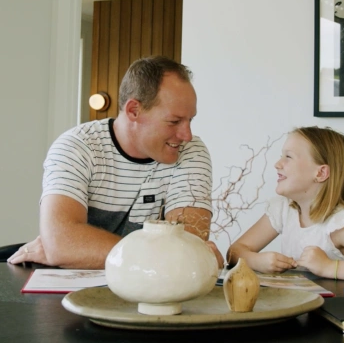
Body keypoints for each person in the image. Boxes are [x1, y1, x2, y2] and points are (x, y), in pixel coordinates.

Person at [8, 56, 223, 269]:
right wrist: (161, 257)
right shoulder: (78, 146)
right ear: (133, 111)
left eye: (190, 120)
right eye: (174, 121)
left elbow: (189, 253)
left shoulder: (191, 151)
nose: (186, 135)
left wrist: (81, 249)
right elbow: (62, 243)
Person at [227, 126, 344, 281]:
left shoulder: (340, 224)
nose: (277, 164)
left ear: (321, 172)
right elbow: (234, 252)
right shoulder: (284, 210)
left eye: (288, 157)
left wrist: (329, 267)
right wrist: (257, 261)